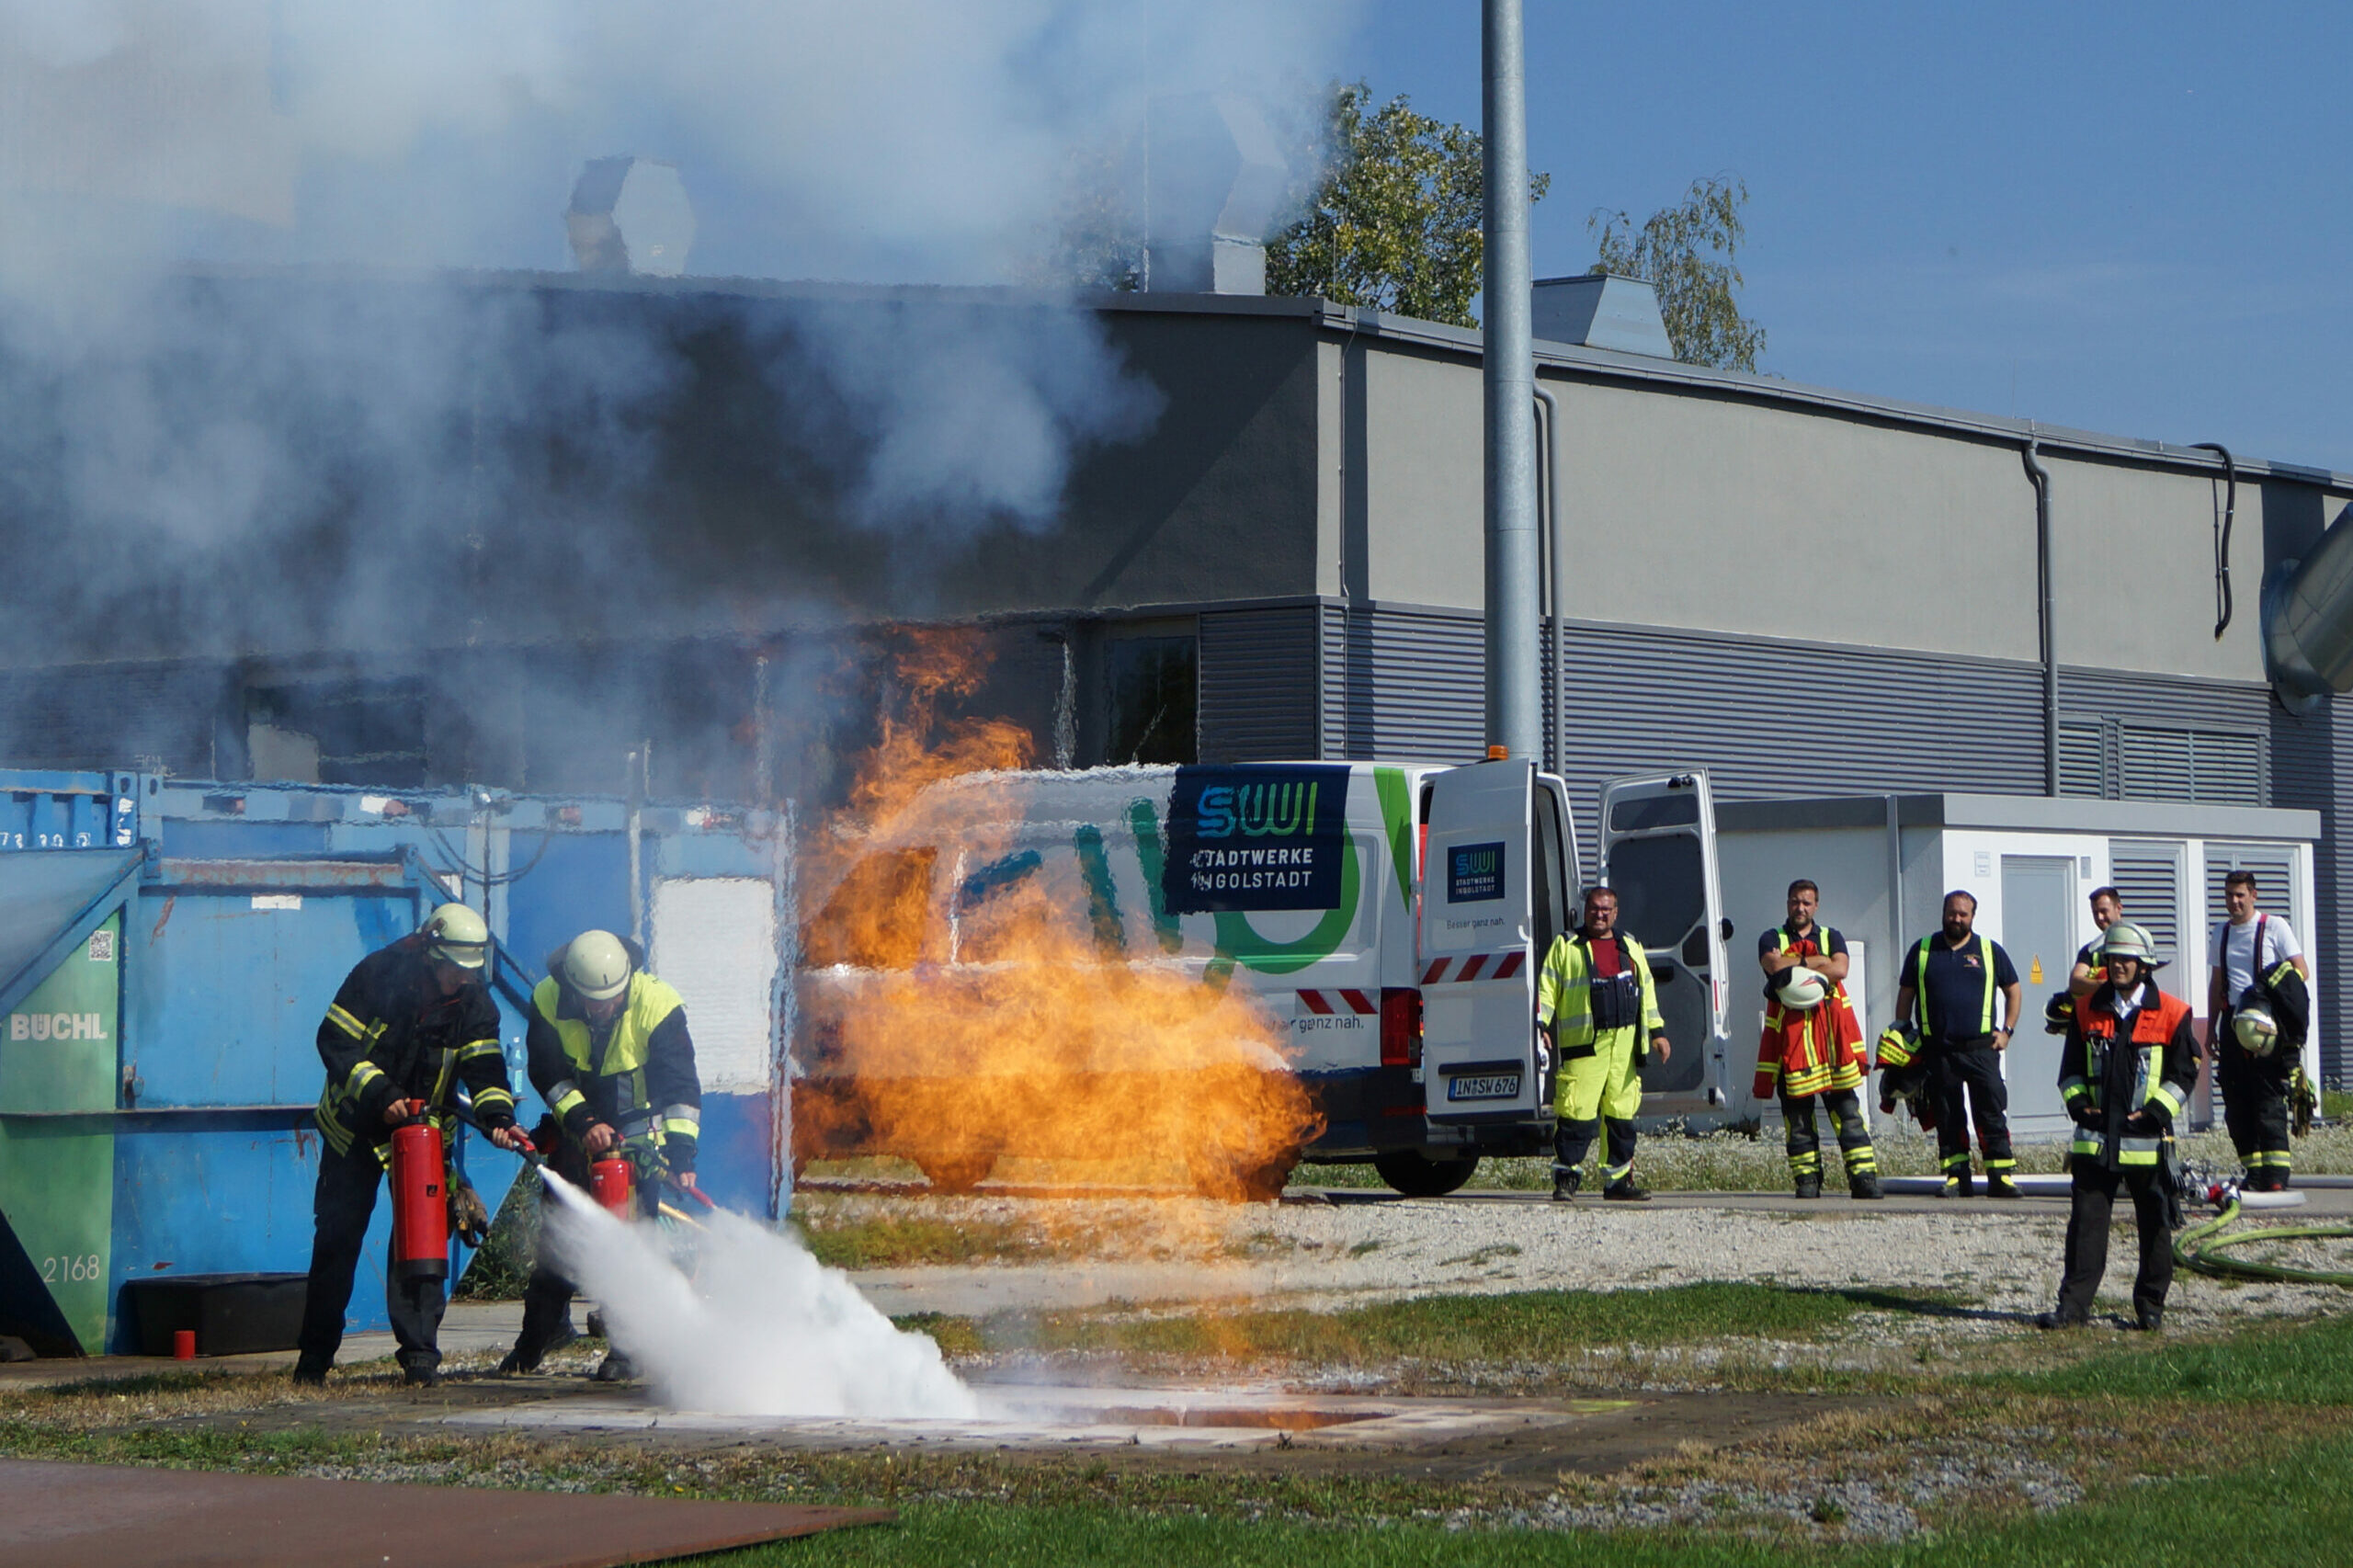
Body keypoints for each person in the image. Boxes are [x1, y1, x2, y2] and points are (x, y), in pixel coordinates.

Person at [295, 903, 533, 1386]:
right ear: (430, 953)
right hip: (356, 1129)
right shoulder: (378, 976)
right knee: (337, 1243)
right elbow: (335, 1043)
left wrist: (498, 1117)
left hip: (423, 1139)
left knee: (421, 1245)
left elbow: (485, 1069)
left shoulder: (474, 1002)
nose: (462, 981)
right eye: (454, 970)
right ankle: (314, 1362)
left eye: (470, 972)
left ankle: (420, 1355)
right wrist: (382, 1095)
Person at [501, 930, 702, 1380]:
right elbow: (548, 1074)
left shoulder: (658, 1005)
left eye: (612, 1000)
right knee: (560, 1243)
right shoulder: (549, 999)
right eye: (593, 1002)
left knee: (634, 1246)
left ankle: (626, 1351)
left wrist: (681, 1155)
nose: (603, 1009)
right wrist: (585, 1124)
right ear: (573, 988)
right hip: (575, 1137)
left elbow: (681, 1089)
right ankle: (535, 1342)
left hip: (635, 1142)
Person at [2040, 923, 2198, 1333]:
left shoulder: (2174, 1012)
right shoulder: (2086, 1009)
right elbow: (2070, 1071)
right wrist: (2080, 1108)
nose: (2118, 966)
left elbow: (2183, 1075)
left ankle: (2150, 1307)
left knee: (2156, 1226)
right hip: (2096, 1142)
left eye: (2126, 960)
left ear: (2144, 966)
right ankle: (2072, 1308)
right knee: (2086, 1228)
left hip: (2148, 1143)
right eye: (2112, 959)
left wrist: (2154, 1115)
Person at [1537, 886, 1670, 1202]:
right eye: (1595, 908)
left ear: (1616, 912)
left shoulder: (1630, 945)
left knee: (1620, 1117)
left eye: (1606, 909)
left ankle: (1618, 1182)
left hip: (1623, 1049)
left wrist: (1658, 1032)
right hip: (1585, 1046)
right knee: (1576, 1116)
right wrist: (1540, 1024)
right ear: (1586, 910)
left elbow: (1647, 991)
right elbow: (1547, 987)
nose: (1600, 914)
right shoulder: (1566, 945)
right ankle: (1566, 1180)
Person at [1892, 891, 2024, 1199]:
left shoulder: (1990, 951)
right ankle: (1956, 1175)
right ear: (1943, 913)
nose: (1957, 919)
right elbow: (1905, 995)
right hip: (1939, 1050)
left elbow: (2014, 991)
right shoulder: (1923, 950)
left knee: (1991, 1111)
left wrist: (2006, 1031)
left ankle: (2000, 1176)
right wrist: (1902, 1035)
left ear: (1972, 917)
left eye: (1963, 914)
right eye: (1952, 913)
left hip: (1982, 1049)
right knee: (1948, 1114)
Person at [1755, 881, 1881, 1199]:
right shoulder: (1771, 938)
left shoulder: (1831, 935)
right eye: (1796, 902)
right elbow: (1773, 966)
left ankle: (1863, 1180)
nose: (1801, 908)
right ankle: (1807, 1181)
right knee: (1797, 1121)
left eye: (1807, 903)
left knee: (1848, 1115)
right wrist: (1816, 963)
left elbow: (1840, 969)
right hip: (1792, 1046)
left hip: (1831, 1044)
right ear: (1787, 903)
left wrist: (1795, 964)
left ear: (1816, 906)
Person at [2207, 870, 2310, 1191]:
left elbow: (2300, 971)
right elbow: (2217, 982)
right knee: (2236, 1101)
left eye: (2240, 895)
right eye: (2229, 895)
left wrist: (2268, 989)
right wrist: (2211, 1030)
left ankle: (2276, 1177)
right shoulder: (2221, 932)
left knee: (2268, 1099)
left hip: (2266, 1027)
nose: (2234, 902)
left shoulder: (2274, 926)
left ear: (2254, 895)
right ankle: (2253, 1172)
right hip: (2232, 1024)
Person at [2066, 886, 2125, 1000]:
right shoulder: (2091, 950)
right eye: (2095, 913)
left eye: (2104, 911)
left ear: (2118, 908)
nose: (2100, 918)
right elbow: (2075, 982)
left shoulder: (2137, 944)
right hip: (2102, 1014)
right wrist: (2106, 986)